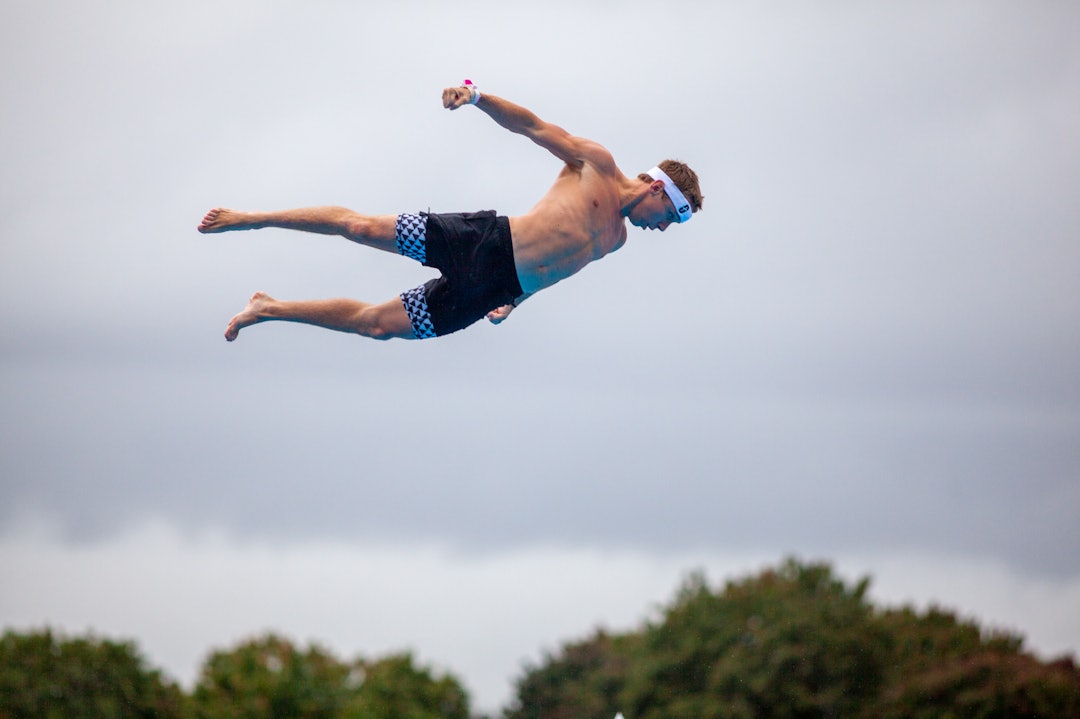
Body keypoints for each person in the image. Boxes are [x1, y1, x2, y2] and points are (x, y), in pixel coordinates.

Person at [198, 82, 703, 342]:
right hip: (481, 241)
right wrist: (477, 97)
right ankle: (253, 216)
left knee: (376, 325)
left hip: (489, 290)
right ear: (660, 190)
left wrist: (515, 302)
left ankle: (268, 308)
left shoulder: (617, 239)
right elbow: (530, 125)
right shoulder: (598, 164)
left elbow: (559, 269)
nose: (662, 229)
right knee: (359, 227)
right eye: (671, 218)